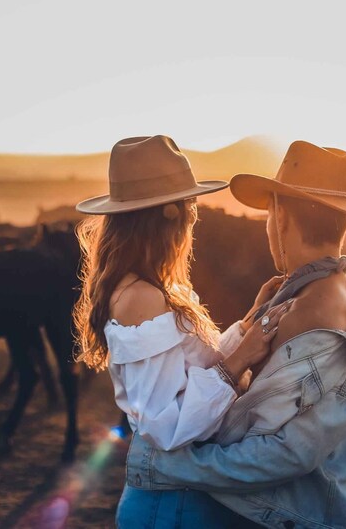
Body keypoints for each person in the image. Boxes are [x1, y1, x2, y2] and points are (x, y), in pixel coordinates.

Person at [125, 140, 346, 528]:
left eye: (269, 215)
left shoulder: (309, 311)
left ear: (280, 217)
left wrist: (167, 464)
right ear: (344, 220)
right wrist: (250, 322)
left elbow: (282, 455)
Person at [73, 135, 290, 528]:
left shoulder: (147, 289)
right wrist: (241, 358)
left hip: (177, 502)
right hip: (171, 508)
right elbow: (166, 426)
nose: (194, 217)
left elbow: (186, 375)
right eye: (192, 207)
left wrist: (247, 323)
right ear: (172, 217)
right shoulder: (141, 297)